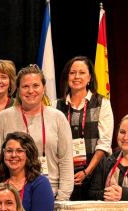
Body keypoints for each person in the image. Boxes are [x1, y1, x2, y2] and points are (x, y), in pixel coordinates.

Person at [0, 64, 74, 200]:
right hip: (12, 194)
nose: (30, 91)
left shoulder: (58, 117)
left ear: (43, 88)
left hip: (50, 192)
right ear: (18, 90)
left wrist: (62, 197)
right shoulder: (4, 117)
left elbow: (66, 161)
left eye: (35, 85)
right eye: (25, 86)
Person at [55, 56, 114, 200]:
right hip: (63, 175)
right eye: (72, 72)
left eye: (81, 73)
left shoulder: (102, 104)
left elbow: (104, 144)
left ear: (89, 78)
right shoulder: (55, 106)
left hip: (95, 176)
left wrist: (86, 172)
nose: (76, 77)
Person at [0, 132, 54, 211]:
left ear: (28, 154)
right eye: (9, 151)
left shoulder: (41, 184)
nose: (13, 155)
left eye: (19, 151)